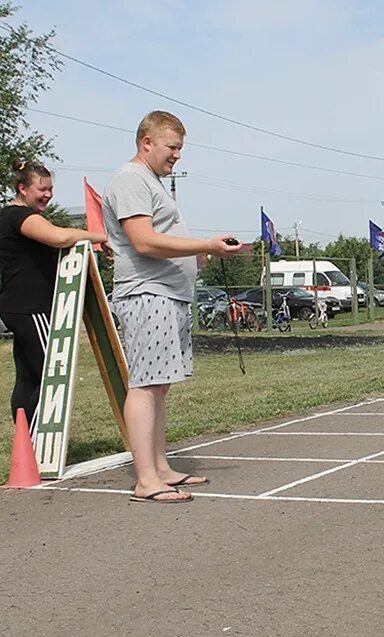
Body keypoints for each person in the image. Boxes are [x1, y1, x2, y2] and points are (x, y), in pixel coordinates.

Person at [103, 111, 242, 504]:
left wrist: (194, 255)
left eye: (180, 148)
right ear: (146, 142)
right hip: (148, 294)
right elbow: (144, 242)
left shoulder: (151, 182)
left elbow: (158, 239)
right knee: (145, 386)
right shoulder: (131, 180)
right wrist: (205, 245)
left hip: (167, 293)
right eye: (172, 147)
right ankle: (145, 480)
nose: (177, 156)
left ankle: (160, 467)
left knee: (159, 386)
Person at [0, 162, 106, 439]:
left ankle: (26, 442)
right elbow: (60, 237)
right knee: (51, 372)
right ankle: (40, 443)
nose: (47, 195)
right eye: (41, 189)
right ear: (22, 189)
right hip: (30, 307)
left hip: (18, 306)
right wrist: (98, 237)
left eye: (50, 189)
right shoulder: (20, 216)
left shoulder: (19, 215)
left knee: (29, 376)